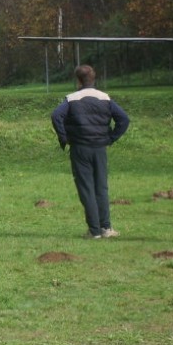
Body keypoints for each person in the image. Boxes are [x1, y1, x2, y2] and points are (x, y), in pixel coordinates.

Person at [51, 64, 130, 239]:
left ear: (78, 80)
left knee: (86, 188)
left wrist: (64, 138)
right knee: (101, 187)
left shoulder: (72, 99)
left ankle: (94, 231)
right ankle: (106, 228)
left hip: (80, 148)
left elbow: (56, 116)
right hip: (99, 148)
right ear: (94, 79)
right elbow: (124, 119)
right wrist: (111, 138)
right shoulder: (105, 98)